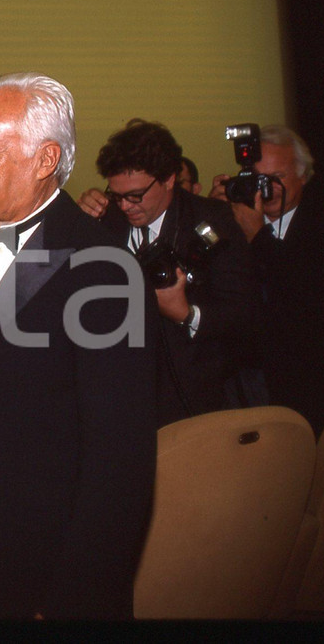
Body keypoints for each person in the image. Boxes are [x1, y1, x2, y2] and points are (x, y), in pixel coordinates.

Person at [0, 72, 158, 618]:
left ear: (45, 161)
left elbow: (121, 465)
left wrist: (73, 599)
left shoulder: (104, 269)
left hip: (54, 577)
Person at [79, 119, 258, 425]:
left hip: (197, 399)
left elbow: (243, 311)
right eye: (117, 194)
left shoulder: (214, 220)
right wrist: (79, 226)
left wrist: (187, 314)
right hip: (125, 398)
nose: (125, 206)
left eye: (136, 195)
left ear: (169, 179)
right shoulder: (104, 219)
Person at [209, 125, 324, 436]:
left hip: (311, 384)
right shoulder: (232, 220)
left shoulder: (323, 223)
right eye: (259, 179)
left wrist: (259, 237)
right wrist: (215, 218)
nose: (268, 188)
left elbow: (311, 296)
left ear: (303, 176)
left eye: (277, 177)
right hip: (246, 385)